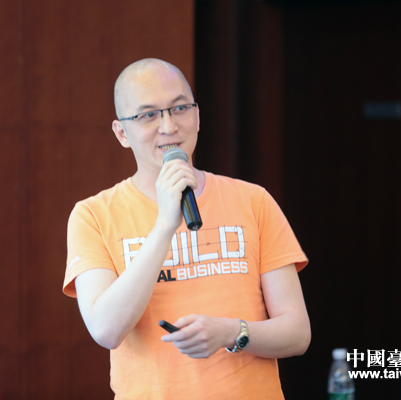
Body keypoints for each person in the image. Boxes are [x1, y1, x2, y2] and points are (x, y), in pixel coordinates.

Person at [63, 58, 311, 399]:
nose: (168, 126)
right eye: (149, 115)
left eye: (179, 108)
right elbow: (106, 329)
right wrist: (165, 224)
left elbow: (297, 333)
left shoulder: (254, 201)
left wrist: (231, 332)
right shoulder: (92, 215)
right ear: (122, 133)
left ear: (197, 116)